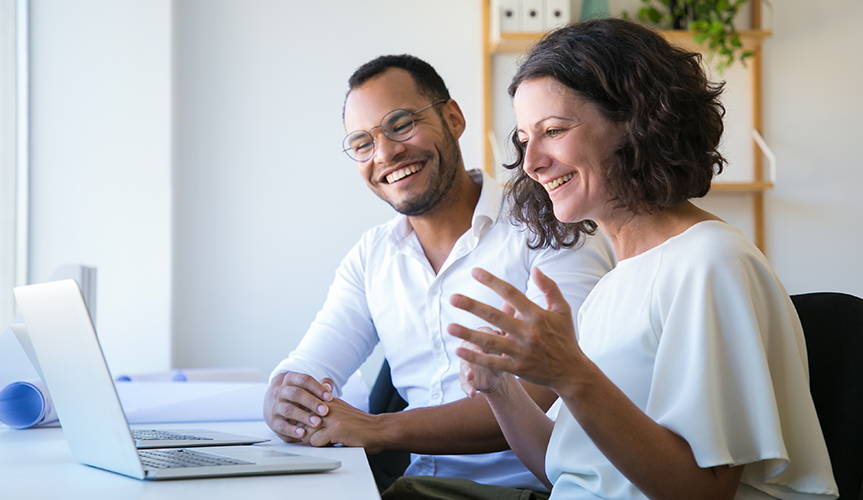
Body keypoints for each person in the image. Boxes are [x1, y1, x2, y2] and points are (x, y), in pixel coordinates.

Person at [408, 19, 838, 500]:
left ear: (636, 123)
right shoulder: (614, 283)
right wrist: (499, 389)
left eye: (553, 130)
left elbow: (702, 492)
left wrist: (571, 372)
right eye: (525, 139)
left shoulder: (711, 262)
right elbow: (573, 471)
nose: (530, 163)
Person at [263, 54, 616, 493]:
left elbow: (547, 389)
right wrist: (284, 398)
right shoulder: (373, 255)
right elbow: (309, 365)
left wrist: (381, 429)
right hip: (414, 488)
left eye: (401, 124)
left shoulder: (552, 227)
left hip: (531, 490)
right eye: (362, 143)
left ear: (453, 117)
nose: (386, 153)